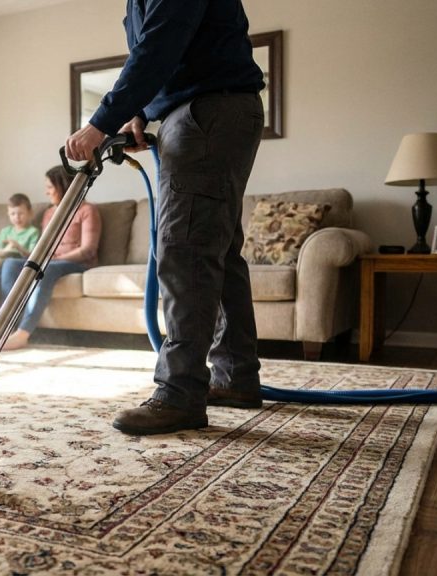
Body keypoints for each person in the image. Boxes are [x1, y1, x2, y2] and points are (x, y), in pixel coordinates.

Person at [65, 0, 267, 435]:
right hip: (206, 113)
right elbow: (161, 54)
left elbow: (160, 45)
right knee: (217, 250)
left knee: (185, 250)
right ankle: (235, 376)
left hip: (207, 113)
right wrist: (140, 113)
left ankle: (180, 394)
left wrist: (101, 122)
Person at [0, 166, 101, 351]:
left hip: (77, 263)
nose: (46, 191)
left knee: (47, 269)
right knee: (10, 265)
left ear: (63, 187)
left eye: (50, 187)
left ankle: (23, 333)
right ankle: (11, 325)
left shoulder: (87, 210)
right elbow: (44, 246)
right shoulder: (48, 213)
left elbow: (88, 250)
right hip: (51, 262)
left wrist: (52, 260)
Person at [0, 193, 40, 272]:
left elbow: (32, 256)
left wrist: (18, 247)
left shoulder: (33, 232)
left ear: (30, 213)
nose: (17, 217)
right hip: (1, 262)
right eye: (13, 214)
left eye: (21, 213)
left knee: (9, 262)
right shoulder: (5, 231)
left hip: (21, 262)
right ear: (8, 214)